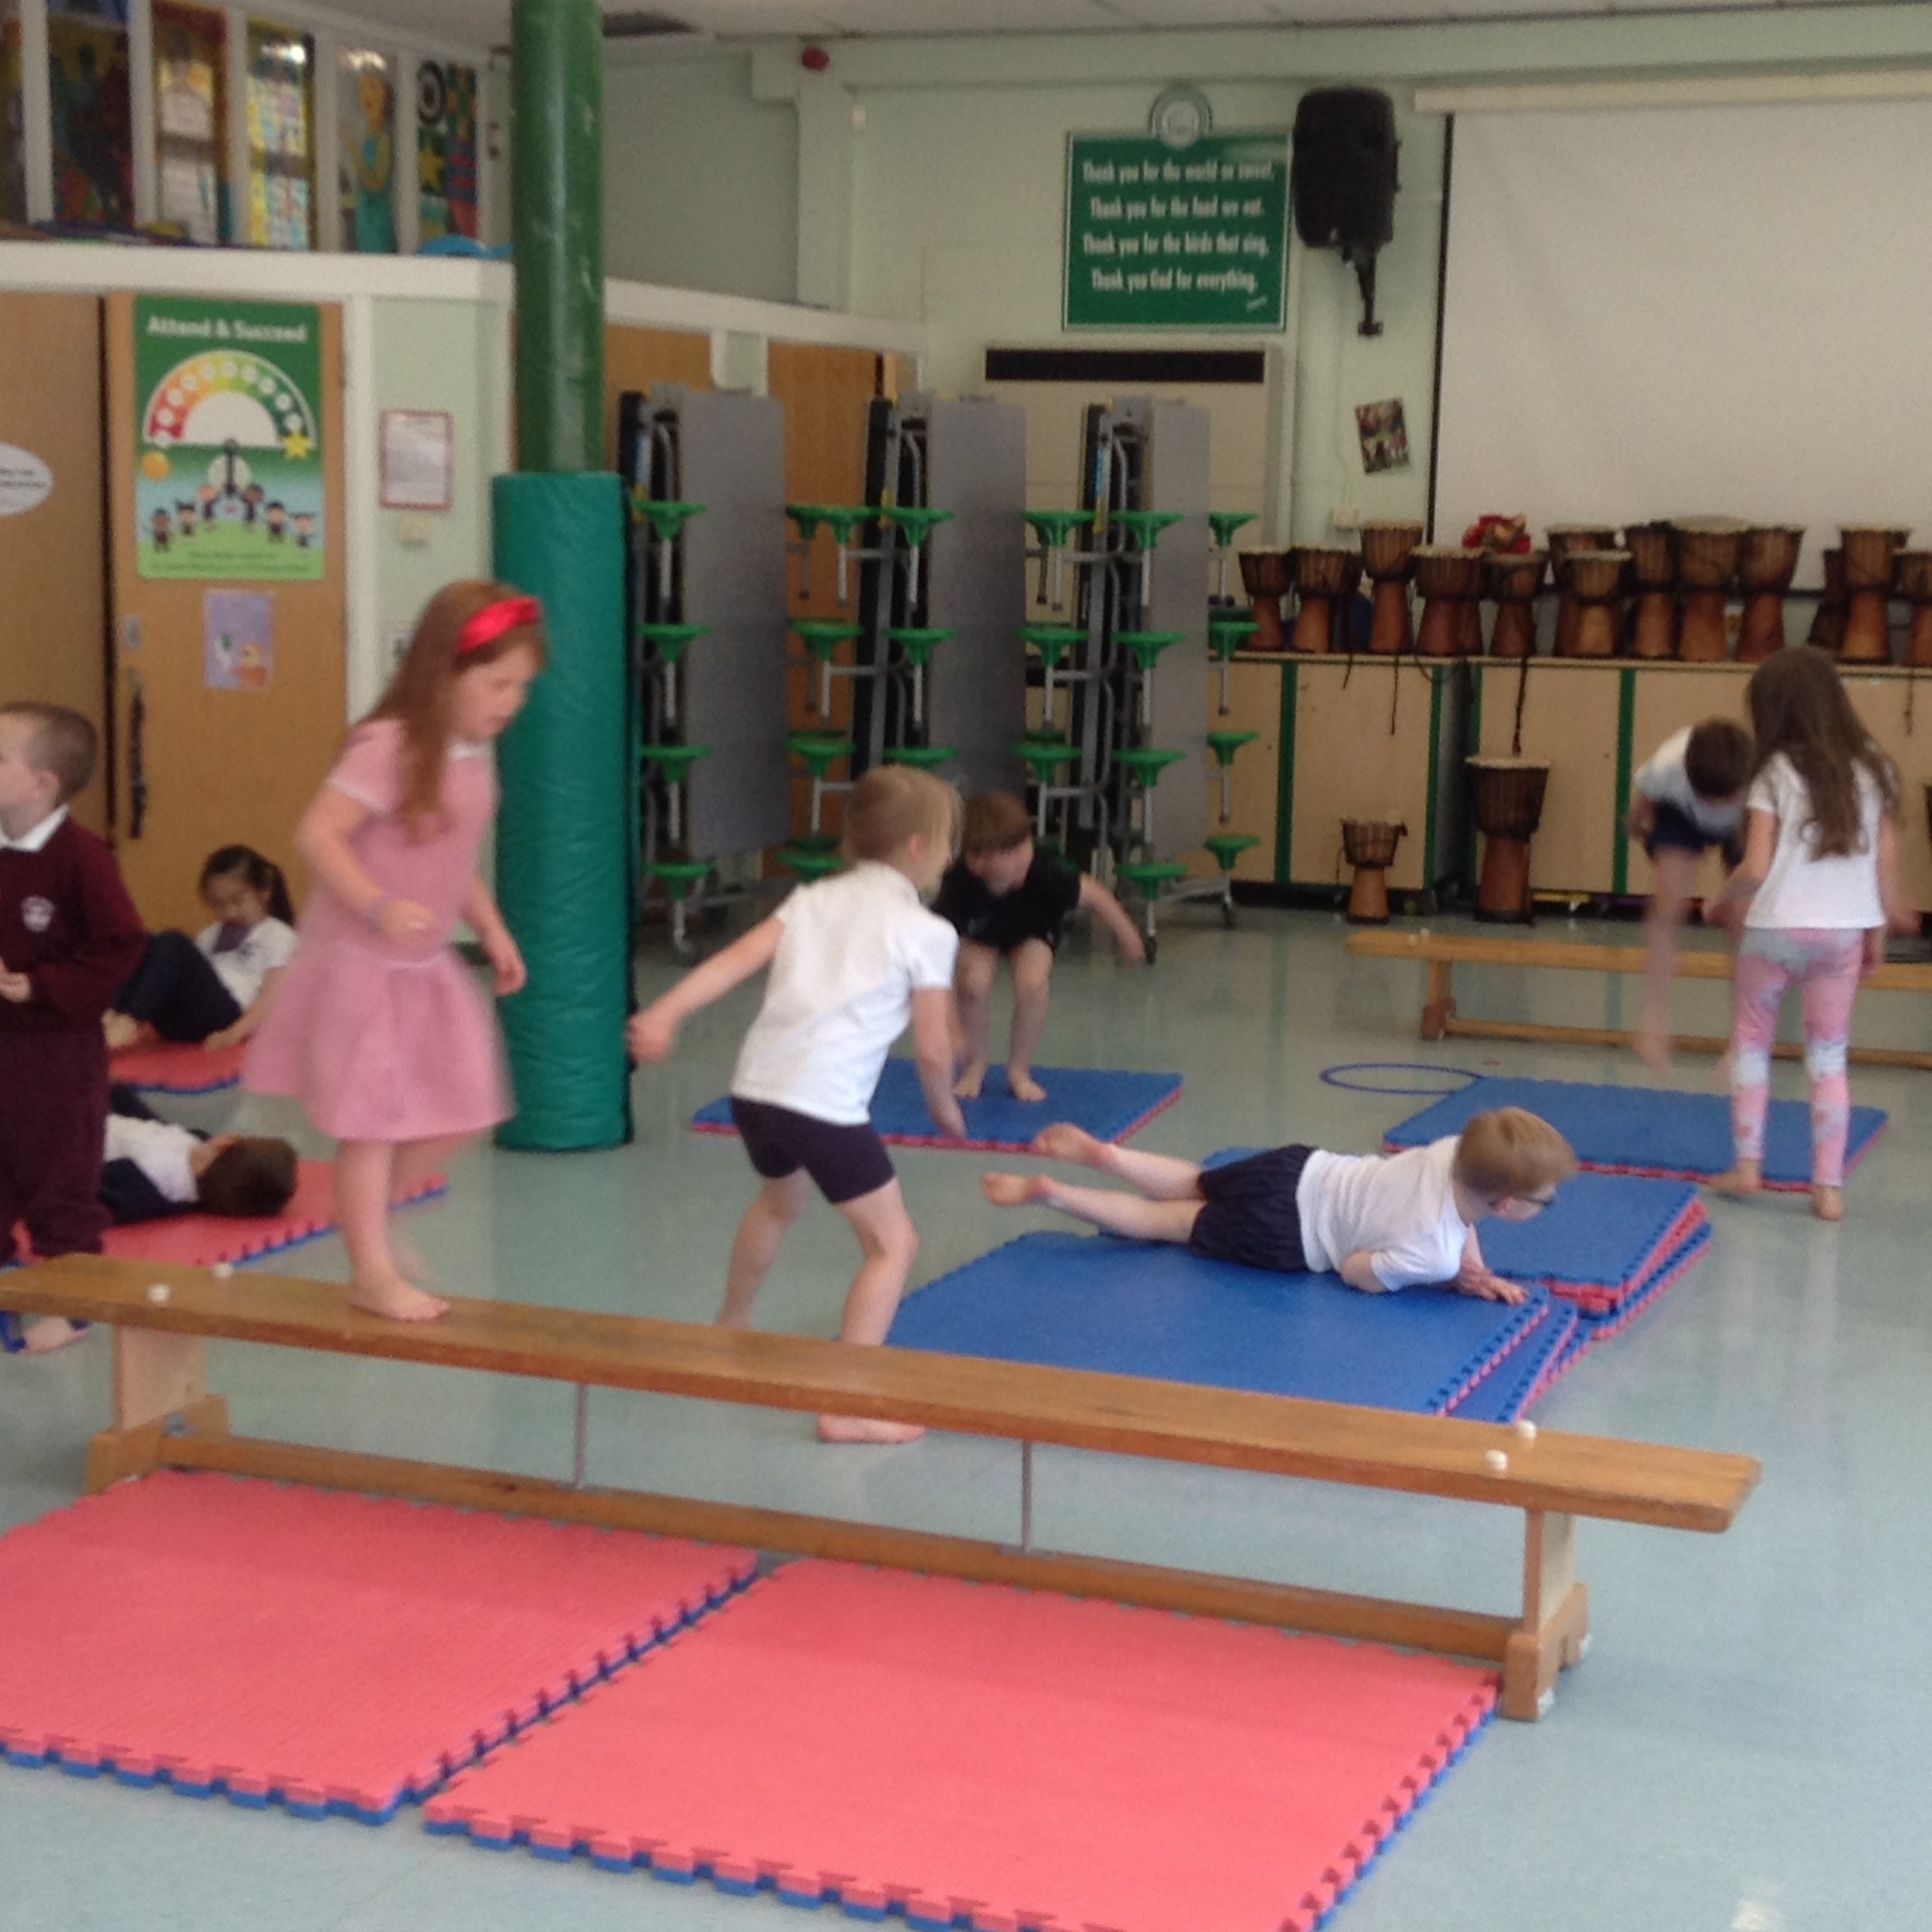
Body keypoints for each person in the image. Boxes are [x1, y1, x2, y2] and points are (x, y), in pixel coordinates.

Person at [628, 765, 965, 1444]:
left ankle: (730, 1326)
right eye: (948, 843)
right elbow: (933, 1050)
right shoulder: (925, 931)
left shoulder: (809, 900)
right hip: (822, 1106)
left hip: (756, 1092)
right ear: (919, 847)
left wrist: (665, 1011)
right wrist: (944, 1110)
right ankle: (846, 1404)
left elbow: (730, 963)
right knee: (892, 1245)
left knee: (779, 1202)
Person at [243, 581, 539, 1319]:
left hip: (423, 964)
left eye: (521, 688)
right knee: (371, 1126)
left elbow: (450, 855)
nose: (511, 702)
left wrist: (491, 927)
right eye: (497, 684)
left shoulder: (471, 753)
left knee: (469, 1104)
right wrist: (377, 903)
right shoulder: (390, 745)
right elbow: (318, 834)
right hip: (363, 965)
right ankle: (370, 1271)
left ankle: (367, 1215)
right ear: (444, 672)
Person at [1705, 646, 1916, 1220]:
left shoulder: (1774, 772)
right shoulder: (1873, 768)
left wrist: (1721, 900)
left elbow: (1754, 867)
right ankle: (1828, 1188)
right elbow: (1883, 862)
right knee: (1828, 1056)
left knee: (1752, 1042)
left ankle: (1748, 1166)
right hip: (1842, 936)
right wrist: (1879, 930)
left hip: (1775, 930)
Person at [981, 1106, 1577, 1302]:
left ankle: (1110, 1155)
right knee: (1169, 1223)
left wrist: (1473, 1265)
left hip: (1300, 1169)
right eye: (1543, 1201)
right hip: (1288, 1232)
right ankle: (1055, 1193)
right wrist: (1450, 1274)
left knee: (1197, 1181)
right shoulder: (1433, 1253)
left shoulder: (1450, 1151)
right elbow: (1356, 1270)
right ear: (1505, 1204)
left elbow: (1462, 1210)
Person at [0, 703, 146, 1352]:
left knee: (59, 1169)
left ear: (41, 783)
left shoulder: (80, 858)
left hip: (55, 1050)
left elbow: (120, 944)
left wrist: (42, 985)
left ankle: (73, 1299)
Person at [933, 790, 1146, 1103]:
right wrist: (949, 1017)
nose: (1023, 856)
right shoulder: (960, 885)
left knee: (1032, 983)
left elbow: (1093, 894)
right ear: (977, 862)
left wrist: (1128, 936)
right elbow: (934, 940)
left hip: (1032, 926)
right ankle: (975, 1064)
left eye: (1025, 844)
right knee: (973, 984)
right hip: (982, 930)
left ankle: (1019, 1070)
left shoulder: (1043, 872)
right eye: (1009, 852)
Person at [1628, 719, 1753, 1071]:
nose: (1715, 809)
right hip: (1680, 815)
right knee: (1668, 908)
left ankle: (1742, 1037)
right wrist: (1636, 825)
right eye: (1709, 802)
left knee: (1742, 921)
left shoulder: (1761, 776)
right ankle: (1653, 1019)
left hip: (1741, 825)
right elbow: (1642, 804)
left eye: (1724, 800)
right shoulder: (1668, 767)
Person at [104, 844, 296, 1053]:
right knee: (146, 943)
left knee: (174, 942)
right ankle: (109, 1014)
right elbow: (181, 976)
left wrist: (234, 1033)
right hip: (182, 1021)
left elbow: (272, 996)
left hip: (227, 1016)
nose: (230, 912)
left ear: (265, 892)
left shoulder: (277, 935)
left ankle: (128, 1021)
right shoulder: (210, 934)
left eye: (237, 901)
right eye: (219, 905)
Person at [99, 1085, 298, 1225]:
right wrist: (116, 1090)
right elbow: (150, 1125)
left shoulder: (150, 1185)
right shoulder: (197, 1144)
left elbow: (89, 1190)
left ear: (226, 1143)